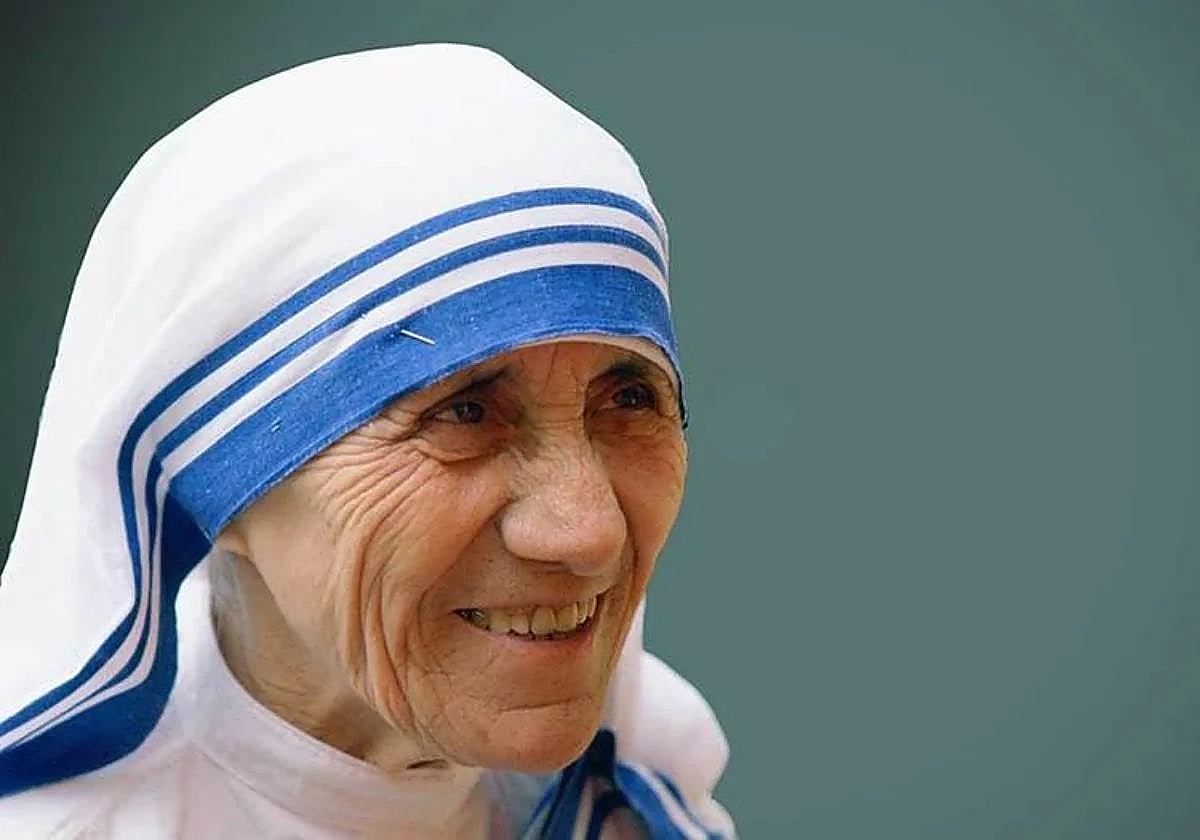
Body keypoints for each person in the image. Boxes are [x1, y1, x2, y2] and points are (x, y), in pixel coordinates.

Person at [0, 44, 734, 838]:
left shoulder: (647, 786)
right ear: (215, 482)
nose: (588, 532)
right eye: (463, 413)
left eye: (629, 398)